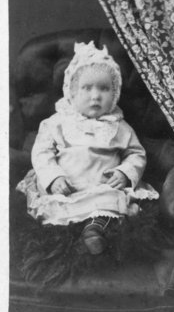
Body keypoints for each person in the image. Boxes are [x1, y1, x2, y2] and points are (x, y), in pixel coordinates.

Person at [17, 41, 158, 256]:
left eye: (104, 89)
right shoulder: (57, 122)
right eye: (87, 88)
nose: (95, 96)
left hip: (101, 186)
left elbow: (135, 154)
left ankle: (93, 230)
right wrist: (53, 178)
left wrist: (125, 173)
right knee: (53, 207)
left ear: (115, 93)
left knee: (112, 200)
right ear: (72, 93)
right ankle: (69, 229)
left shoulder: (120, 126)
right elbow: (42, 153)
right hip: (66, 186)